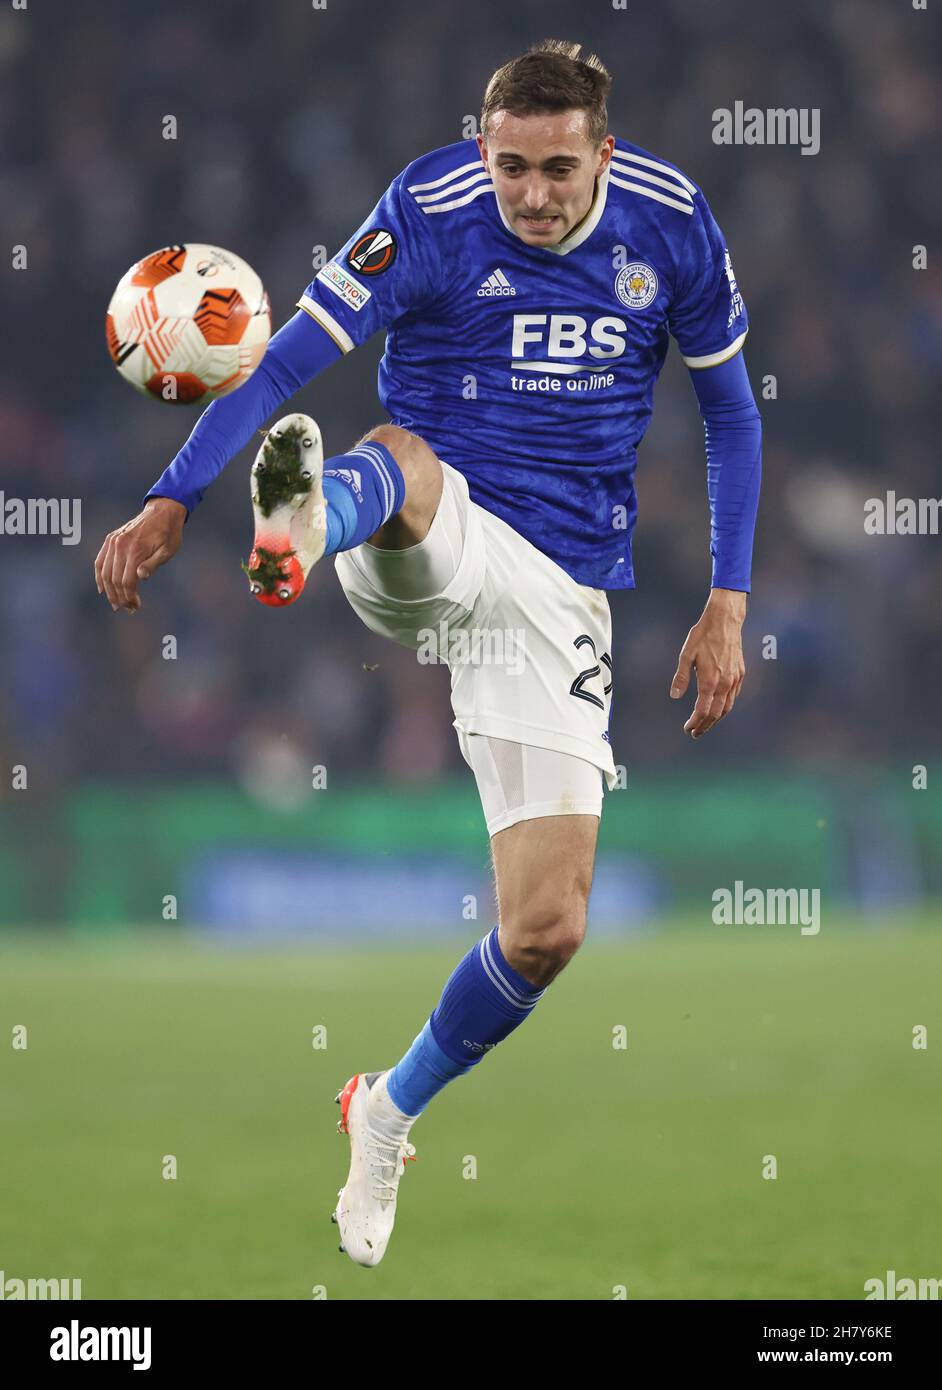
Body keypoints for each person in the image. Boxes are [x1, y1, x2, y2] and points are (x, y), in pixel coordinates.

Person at [94, 38, 762, 1267]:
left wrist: (728, 596)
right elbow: (288, 355)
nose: (532, 195)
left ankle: (385, 1108)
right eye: (510, 166)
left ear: (602, 155)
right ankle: (302, 523)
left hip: (559, 593)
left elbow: (731, 407)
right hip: (428, 535)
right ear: (482, 146)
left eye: (558, 171)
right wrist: (175, 491)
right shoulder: (430, 207)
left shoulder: (672, 224)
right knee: (403, 454)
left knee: (548, 929)